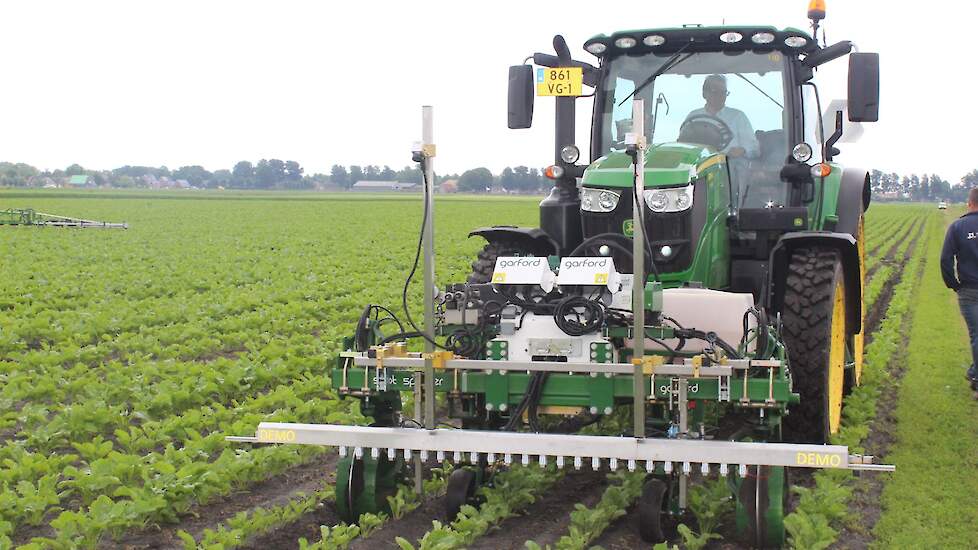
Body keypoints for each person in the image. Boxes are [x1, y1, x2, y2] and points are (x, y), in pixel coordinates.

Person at [940, 187, 978, 393]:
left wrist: (953, 284)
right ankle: (974, 373)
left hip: (969, 290)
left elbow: (945, 260)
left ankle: (976, 374)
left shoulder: (958, 227)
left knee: (976, 334)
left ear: (969, 203)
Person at [686, 74, 759, 159]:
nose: (720, 96)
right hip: (700, 165)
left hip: (731, 167)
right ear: (704, 94)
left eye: (723, 92)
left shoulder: (738, 116)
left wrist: (743, 150)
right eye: (715, 92)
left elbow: (753, 148)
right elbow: (684, 144)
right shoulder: (693, 117)